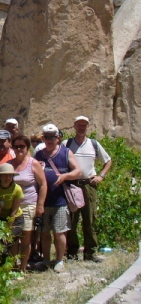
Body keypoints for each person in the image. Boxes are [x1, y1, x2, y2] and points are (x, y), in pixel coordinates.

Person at [34, 123, 82, 273]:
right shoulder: (38, 155)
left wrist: (65, 176)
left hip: (60, 200)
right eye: (46, 137)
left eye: (52, 137)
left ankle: (59, 260)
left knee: (59, 232)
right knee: (44, 232)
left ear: (58, 138)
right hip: (43, 201)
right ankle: (46, 260)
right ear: (42, 138)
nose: (49, 140)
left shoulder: (66, 152)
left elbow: (78, 171)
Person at [65, 116, 112, 262]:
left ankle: (90, 253)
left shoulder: (94, 144)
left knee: (89, 219)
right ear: (74, 126)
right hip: (72, 185)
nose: (81, 127)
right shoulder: (67, 144)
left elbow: (108, 160)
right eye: (79, 125)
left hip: (89, 185)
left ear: (87, 127)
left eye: (84, 125)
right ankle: (72, 252)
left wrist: (101, 176)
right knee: (72, 220)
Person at [9, 135, 47, 273]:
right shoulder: (10, 164)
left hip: (28, 204)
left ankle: (23, 268)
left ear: (27, 148)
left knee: (25, 239)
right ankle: (13, 267)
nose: (19, 149)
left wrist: (40, 205)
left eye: (22, 146)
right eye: (16, 146)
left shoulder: (33, 163)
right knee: (13, 239)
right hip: (13, 207)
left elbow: (43, 184)